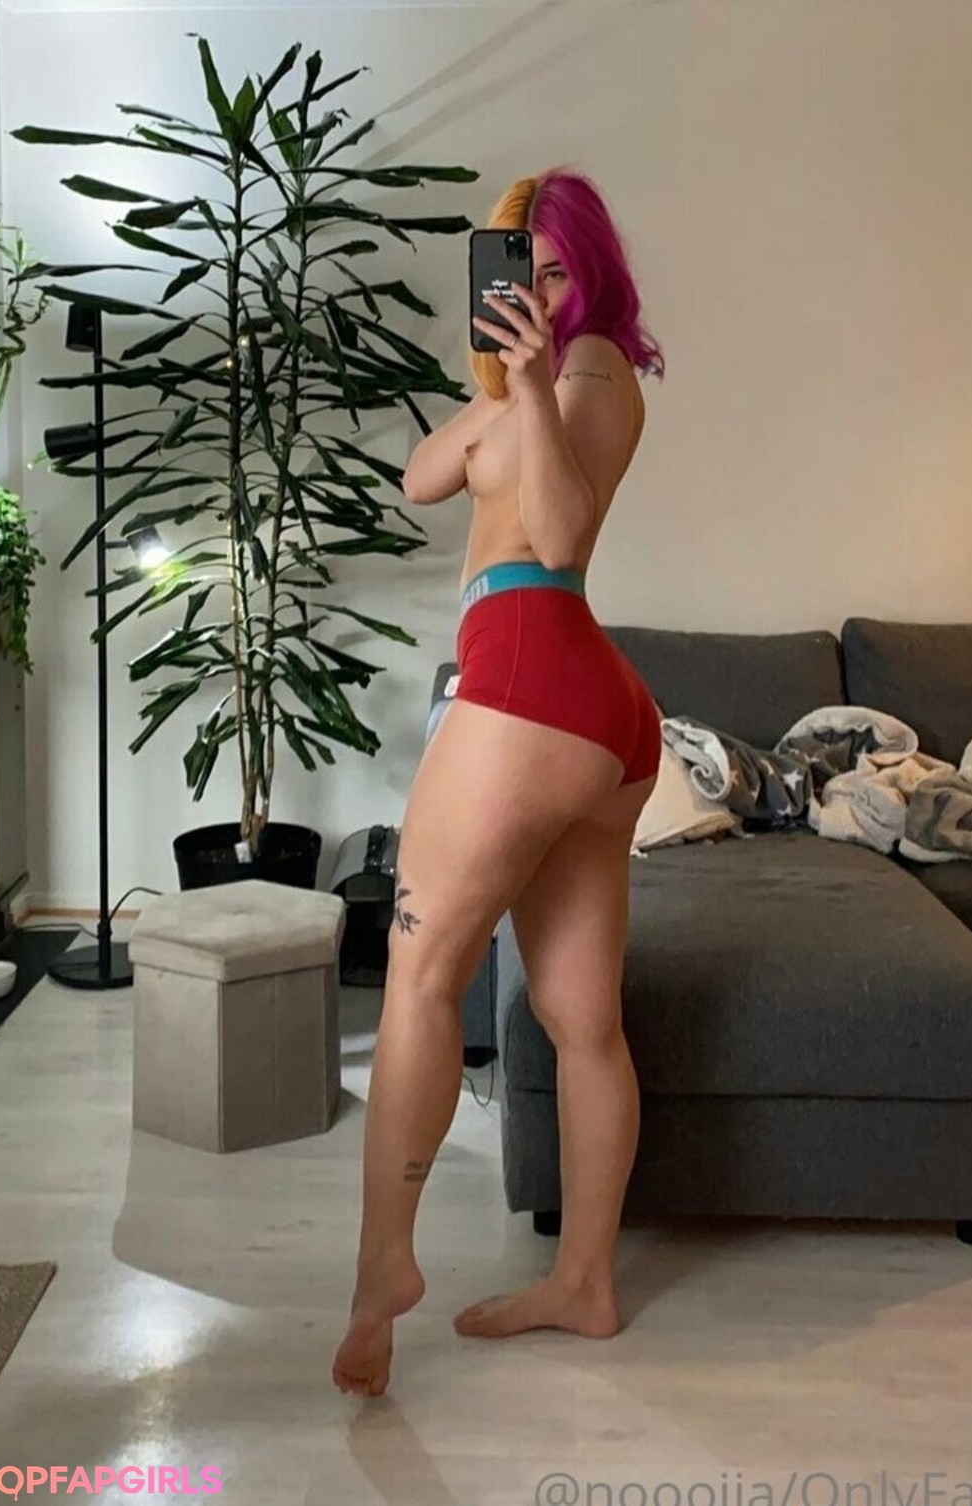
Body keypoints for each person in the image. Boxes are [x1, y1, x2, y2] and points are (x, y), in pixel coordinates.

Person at [333, 166, 666, 1397]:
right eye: (522, 270)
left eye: (562, 270)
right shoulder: (529, 388)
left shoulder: (593, 374)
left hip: (534, 668)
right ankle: (584, 1284)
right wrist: (493, 384)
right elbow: (419, 477)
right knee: (582, 1018)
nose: (545, 293)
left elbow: (563, 537)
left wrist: (526, 384)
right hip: (588, 711)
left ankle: (384, 1265)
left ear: (596, 274)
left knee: (420, 973)